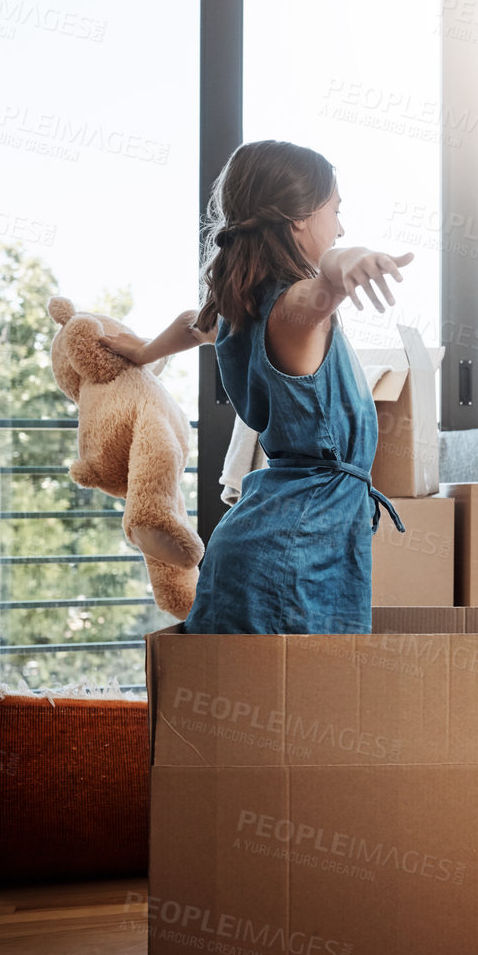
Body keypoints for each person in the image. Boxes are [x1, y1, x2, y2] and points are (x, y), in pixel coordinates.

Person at [101, 140, 413, 634]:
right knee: (301, 703)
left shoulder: (240, 306)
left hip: (278, 538)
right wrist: (343, 262)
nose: (341, 227)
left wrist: (142, 352)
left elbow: (191, 324)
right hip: (294, 552)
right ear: (299, 219)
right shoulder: (294, 312)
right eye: (336, 210)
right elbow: (324, 286)